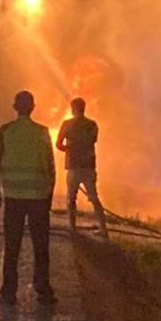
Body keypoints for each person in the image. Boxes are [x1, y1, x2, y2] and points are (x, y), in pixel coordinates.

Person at [0, 90, 56, 305]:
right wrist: (49, 197)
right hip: (38, 197)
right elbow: (51, 167)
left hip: (13, 197)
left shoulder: (6, 130)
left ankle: (8, 291)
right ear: (33, 107)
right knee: (40, 245)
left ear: (14, 107)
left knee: (12, 245)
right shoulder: (43, 132)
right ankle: (43, 289)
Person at [56, 96, 109, 238]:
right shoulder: (92, 125)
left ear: (73, 109)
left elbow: (58, 144)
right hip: (88, 167)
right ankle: (103, 229)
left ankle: (72, 228)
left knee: (71, 198)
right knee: (94, 198)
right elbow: (92, 140)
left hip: (73, 166)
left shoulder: (67, 124)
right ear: (84, 108)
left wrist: (69, 149)